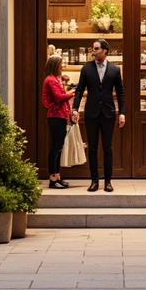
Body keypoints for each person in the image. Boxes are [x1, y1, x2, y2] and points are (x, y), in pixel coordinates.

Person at [71, 38, 126, 192]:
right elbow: (80, 90)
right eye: (93, 49)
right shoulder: (86, 68)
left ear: (104, 51)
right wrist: (75, 108)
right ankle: (94, 180)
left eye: (96, 49)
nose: (93, 52)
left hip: (108, 113)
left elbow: (121, 93)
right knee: (93, 148)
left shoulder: (115, 69)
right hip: (91, 114)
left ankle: (108, 181)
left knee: (108, 148)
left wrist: (122, 113)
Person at [41, 54, 74, 189]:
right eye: (61, 64)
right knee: (55, 148)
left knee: (58, 148)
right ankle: (53, 179)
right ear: (55, 65)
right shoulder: (51, 80)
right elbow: (59, 97)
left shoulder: (55, 79)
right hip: (55, 117)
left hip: (59, 116)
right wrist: (73, 92)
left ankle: (57, 176)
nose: (62, 66)